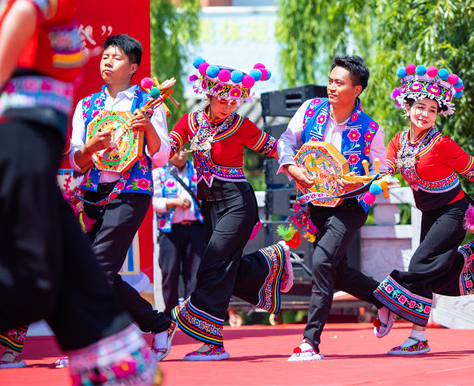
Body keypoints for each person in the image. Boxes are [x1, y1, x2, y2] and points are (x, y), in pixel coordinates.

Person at [0, 0, 158, 383]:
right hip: (24, 143)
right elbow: (23, 15)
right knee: (40, 274)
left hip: (37, 150)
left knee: (76, 272)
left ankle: (115, 367)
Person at [169, 57, 293, 361]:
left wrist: (301, 161)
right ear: (209, 94)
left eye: (233, 101)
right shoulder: (190, 121)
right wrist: (151, 133)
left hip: (238, 202)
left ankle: (203, 337)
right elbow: (168, 148)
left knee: (210, 267)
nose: (227, 106)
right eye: (222, 100)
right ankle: (271, 262)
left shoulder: (241, 125)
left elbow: (274, 148)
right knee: (224, 269)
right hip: (209, 204)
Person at [372, 64, 474, 355]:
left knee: (419, 265)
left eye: (432, 109)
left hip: (454, 212)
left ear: (439, 113)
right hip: (430, 214)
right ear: (407, 107)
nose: (424, 114)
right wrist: (382, 176)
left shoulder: (443, 145)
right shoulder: (399, 141)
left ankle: (385, 301)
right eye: (420, 106)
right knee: (430, 275)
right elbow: (388, 165)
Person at [69, 33, 177, 361]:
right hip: (93, 195)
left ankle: (88, 345)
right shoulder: (87, 106)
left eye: (116, 58)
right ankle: (158, 324)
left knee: (97, 271)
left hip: (131, 193)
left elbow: (161, 156)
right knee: (89, 270)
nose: (107, 62)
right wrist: (91, 147)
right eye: (105, 57)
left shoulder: (147, 102)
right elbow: (75, 160)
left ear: (133, 67)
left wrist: (148, 129)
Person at [277, 55, 392, 361]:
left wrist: (358, 182)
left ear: (357, 90)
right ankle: (386, 299)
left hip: (349, 207)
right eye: (330, 81)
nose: (331, 87)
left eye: (339, 83)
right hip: (315, 204)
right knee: (336, 273)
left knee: (321, 262)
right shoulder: (310, 110)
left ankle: (310, 341)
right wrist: (292, 167)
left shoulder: (371, 129)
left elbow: (380, 172)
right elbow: (286, 141)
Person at [152, 150, 206, 317]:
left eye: (184, 149)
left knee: (195, 274)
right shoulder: (158, 172)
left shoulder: (198, 170)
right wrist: (172, 202)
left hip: (196, 227)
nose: (182, 153)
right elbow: (152, 201)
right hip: (170, 230)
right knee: (169, 273)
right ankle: (170, 315)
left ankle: (191, 315)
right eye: (177, 150)